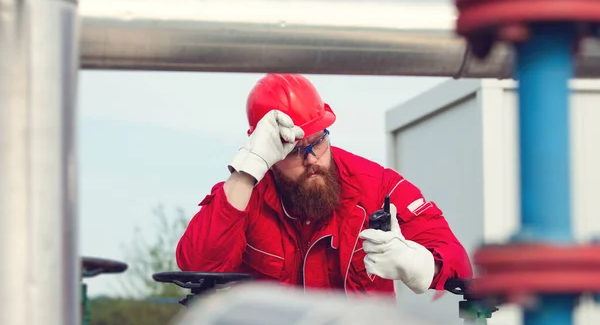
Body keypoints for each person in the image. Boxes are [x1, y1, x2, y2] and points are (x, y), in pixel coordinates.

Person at [176, 73, 473, 297]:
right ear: (268, 152)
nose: (310, 160)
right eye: (292, 151)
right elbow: (196, 266)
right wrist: (246, 171)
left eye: (318, 142)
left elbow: (457, 260)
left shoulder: (376, 187)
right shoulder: (245, 193)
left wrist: (419, 264)